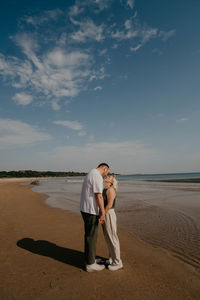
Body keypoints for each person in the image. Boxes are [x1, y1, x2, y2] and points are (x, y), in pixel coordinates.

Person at [80, 163, 110, 272]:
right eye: (107, 172)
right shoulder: (97, 175)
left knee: (90, 235)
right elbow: (99, 195)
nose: (106, 175)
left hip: (85, 209)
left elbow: (95, 190)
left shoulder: (91, 173)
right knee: (91, 237)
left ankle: (90, 259)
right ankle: (90, 264)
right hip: (90, 211)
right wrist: (102, 212)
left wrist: (104, 186)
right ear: (104, 168)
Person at [102, 175, 123, 271]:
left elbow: (110, 205)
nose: (107, 176)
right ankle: (111, 259)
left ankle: (117, 262)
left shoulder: (111, 189)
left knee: (113, 238)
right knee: (108, 238)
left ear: (111, 181)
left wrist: (102, 214)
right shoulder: (105, 188)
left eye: (110, 177)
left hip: (109, 214)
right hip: (106, 213)